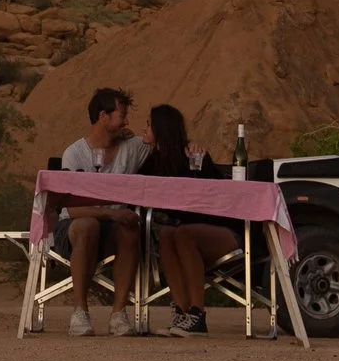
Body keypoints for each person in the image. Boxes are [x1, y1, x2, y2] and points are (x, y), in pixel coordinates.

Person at [141, 104, 239, 337]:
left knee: (182, 234)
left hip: (223, 233)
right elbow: (136, 188)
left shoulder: (194, 155)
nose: (143, 128)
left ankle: (197, 314)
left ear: (161, 128)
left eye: (148, 124)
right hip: (184, 238)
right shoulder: (154, 161)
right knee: (166, 235)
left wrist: (201, 160)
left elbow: (220, 195)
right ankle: (182, 312)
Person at [58, 87, 148, 336]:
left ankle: (118, 314)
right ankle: (80, 312)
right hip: (74, 229)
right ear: (102, 116)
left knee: (131, 228)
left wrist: (192, 146)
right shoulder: (74, 154)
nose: (126, 121)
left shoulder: (131, 148)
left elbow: (162, 139)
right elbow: (73, 209)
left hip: (112, 229)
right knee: (88, 225)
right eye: (121, 115)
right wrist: (112, 214)